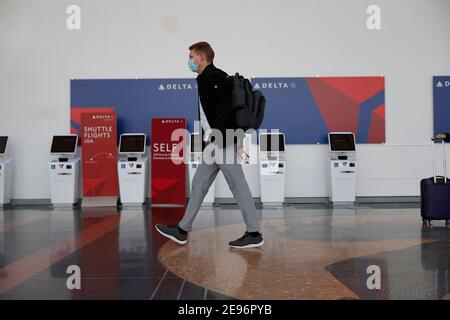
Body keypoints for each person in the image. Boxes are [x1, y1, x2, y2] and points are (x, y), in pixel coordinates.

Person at [155, 42, 263, 249]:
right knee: (199, 185)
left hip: (222, 141)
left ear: (201, 57)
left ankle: (254, 233)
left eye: (191, 56)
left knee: (237, 185)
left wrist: (234, 141)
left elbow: (229, 112)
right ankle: (182, 230)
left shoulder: (214, 78)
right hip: (214, 143)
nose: (189, 60)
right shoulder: (205, 79)